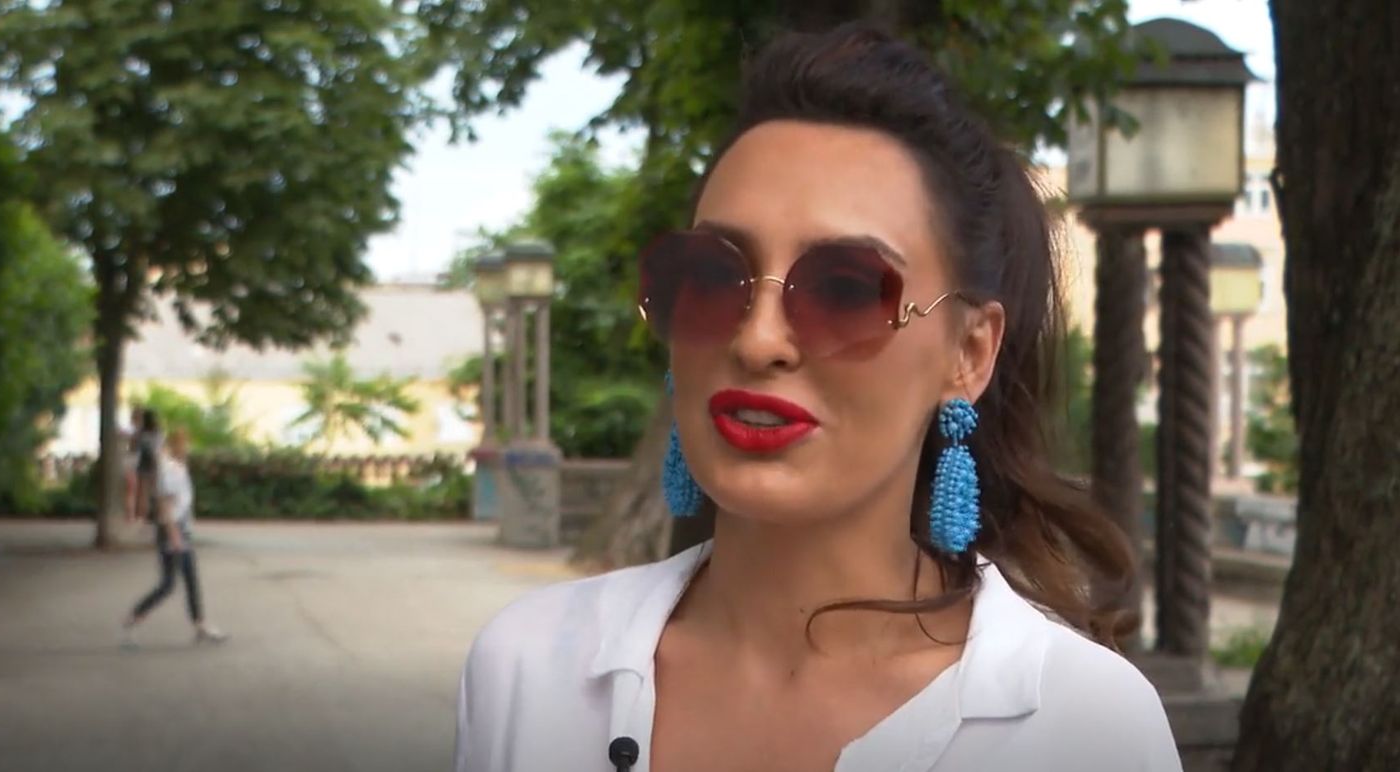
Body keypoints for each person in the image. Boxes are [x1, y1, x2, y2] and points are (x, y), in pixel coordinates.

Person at [453, 22, 1180, 772]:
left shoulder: (1084, 728)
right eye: (713, 277)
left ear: (968, 354)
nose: (758, 339)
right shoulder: (529, 672)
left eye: (845, 289)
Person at [122, 428, 227, 647]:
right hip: (172, 530)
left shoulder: (178, 468)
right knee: (168, 584)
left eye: (187, 443)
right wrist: (174, 535)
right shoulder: (170, 470)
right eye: (182, 444)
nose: (186, 448)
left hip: (180, 529)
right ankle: (134, 617)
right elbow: (165, 505)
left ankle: (200, 624)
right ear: (173, 446)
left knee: (190, 578)